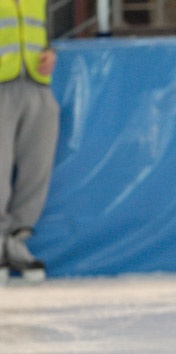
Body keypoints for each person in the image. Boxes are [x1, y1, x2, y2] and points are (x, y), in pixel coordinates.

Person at [0, 0, 58, 284]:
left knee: (37, 167)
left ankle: (16, 241)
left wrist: (49, 53)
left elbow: (42, 34)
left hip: (37, 85)